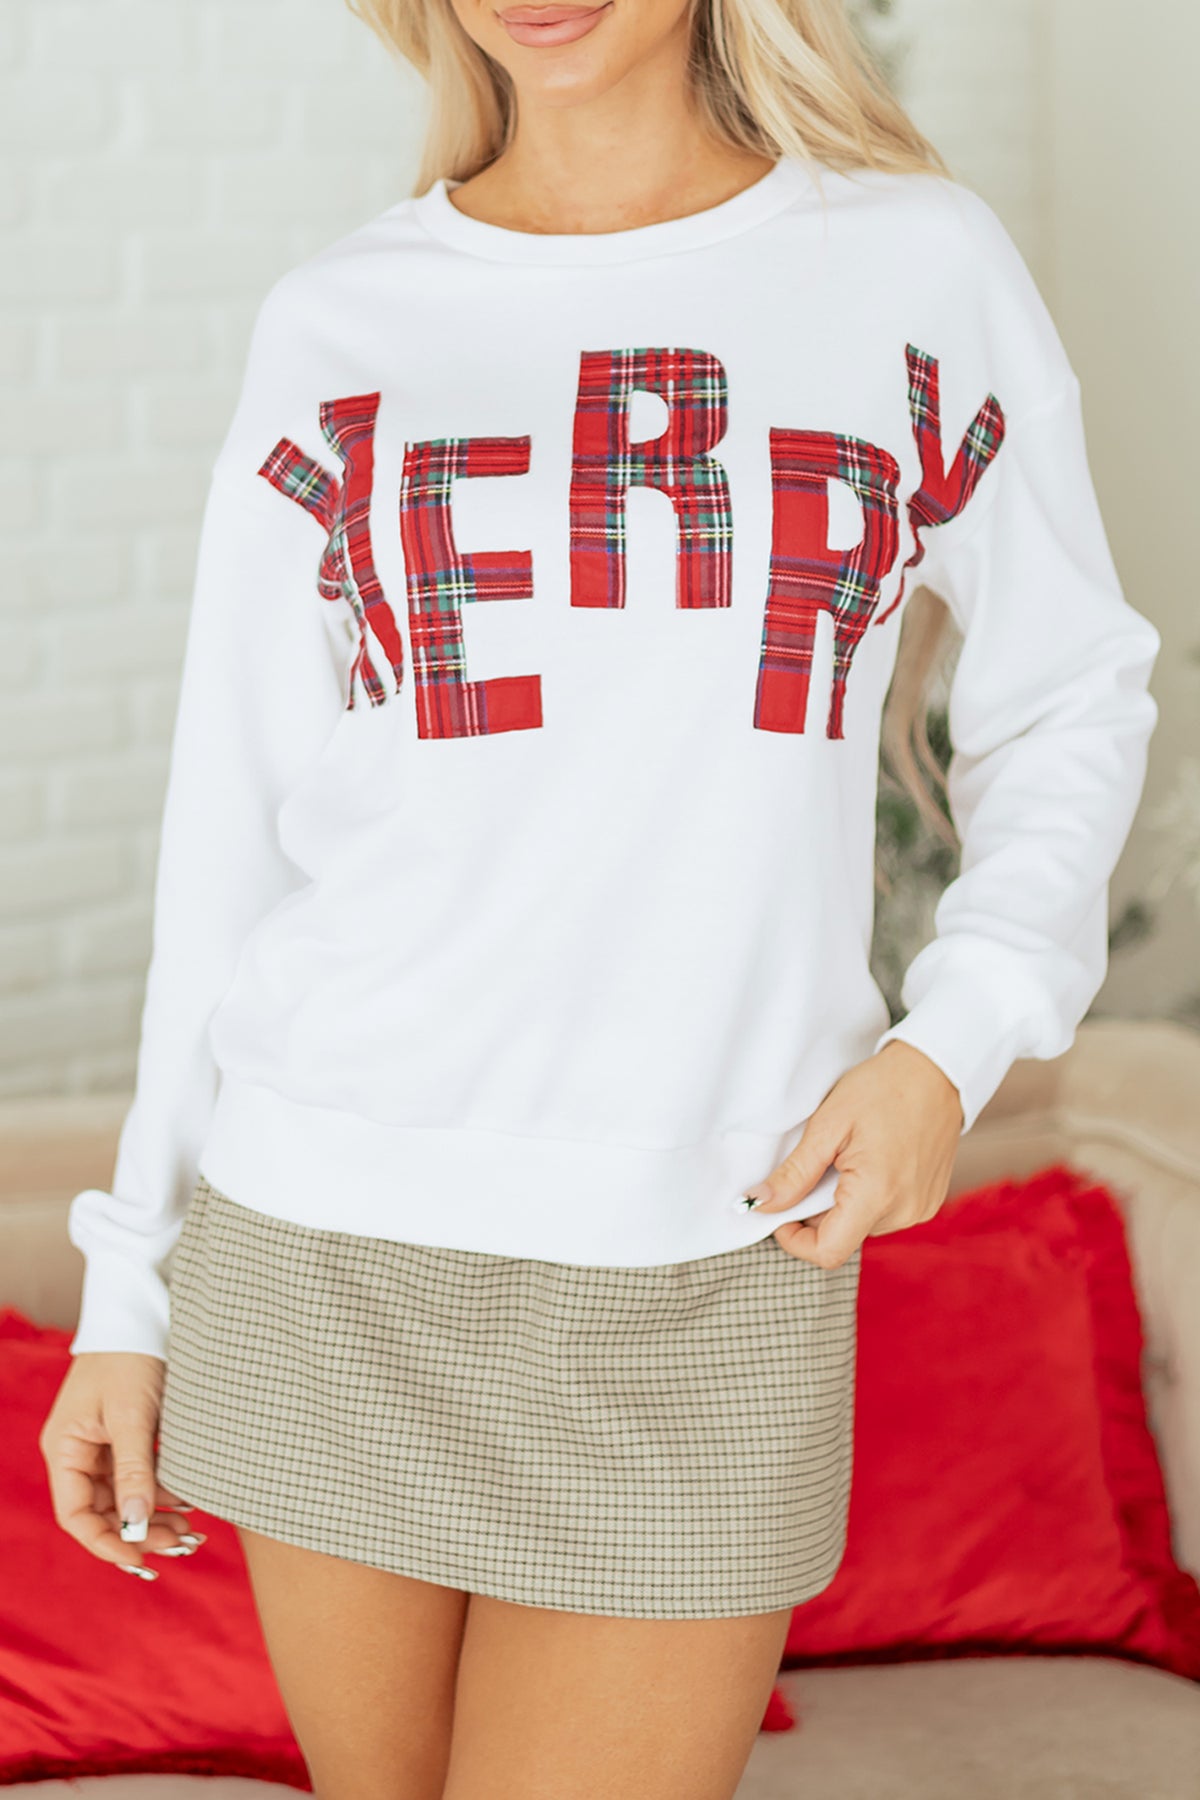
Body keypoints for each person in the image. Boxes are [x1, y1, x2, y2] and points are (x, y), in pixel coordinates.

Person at [39, 2, 1161, 1796]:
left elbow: (1071, 693)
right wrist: (130, 1292)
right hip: (326, 1235)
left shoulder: (914, 268)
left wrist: (952, 1046)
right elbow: (231, 835)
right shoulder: (340, 317)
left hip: (710, 1251)